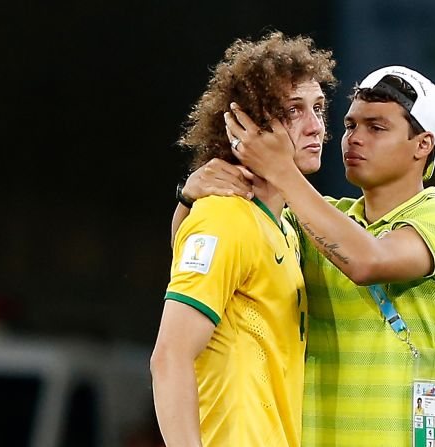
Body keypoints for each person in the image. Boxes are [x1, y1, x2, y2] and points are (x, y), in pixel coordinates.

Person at [177, 66, 435, 446]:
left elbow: (366, 261)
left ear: (422, 145)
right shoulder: (313, 221)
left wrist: (281, 169)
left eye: (376, 128)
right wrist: (189, 199)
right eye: (351, 125)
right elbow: (205, 260)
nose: (354, 138)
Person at [150, 31, 336, 447]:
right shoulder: (224, 217)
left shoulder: (286, 227)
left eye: (319, 108)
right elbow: (168, 357)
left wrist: (183, 205)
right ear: (247, 124)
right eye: (295, 110)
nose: (316, 126)